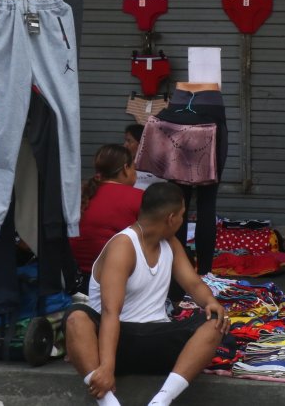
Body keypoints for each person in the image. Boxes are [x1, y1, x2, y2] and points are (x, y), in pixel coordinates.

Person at [64, 182, 230, 406]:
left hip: (155, 336)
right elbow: (111, 312)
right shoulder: (123, 246)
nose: (182, 221)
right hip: (114, 341)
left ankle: (161, 400)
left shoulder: (170, 243)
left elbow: (193, 284)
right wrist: (106, 368)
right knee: (76, 318)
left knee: (215, 322)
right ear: (171, 218)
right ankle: (108, 402)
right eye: (182, 215)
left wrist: (211, 302)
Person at [70, 145, 145, 277]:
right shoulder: (138, 196)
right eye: (134, 167)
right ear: (126, 169)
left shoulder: (77, 194)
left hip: (73, 273)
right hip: (113, 275)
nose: (136, 173)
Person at [123, 124, 163, 191]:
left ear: (142, 143)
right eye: (126, 141)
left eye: (129, 141)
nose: (125, 145)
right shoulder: (124, 165)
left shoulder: (160, 166)